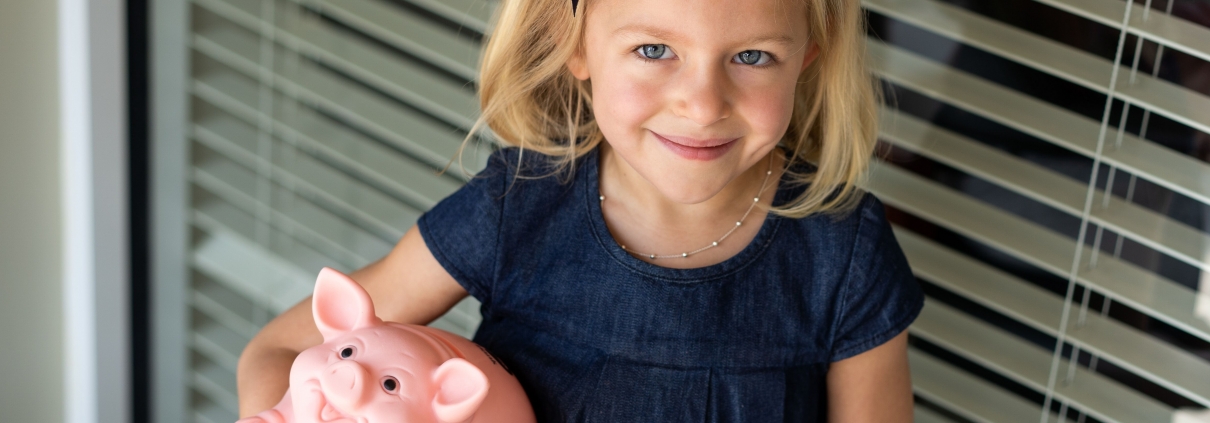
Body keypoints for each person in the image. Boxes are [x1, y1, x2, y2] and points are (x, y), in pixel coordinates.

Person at [236, 0, 924, 420]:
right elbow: (285, 347)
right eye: (654, 49)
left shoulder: (844, 255)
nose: (703, 102)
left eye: (751, 55)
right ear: (575, 45)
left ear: (808, 55)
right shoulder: (520, 206)